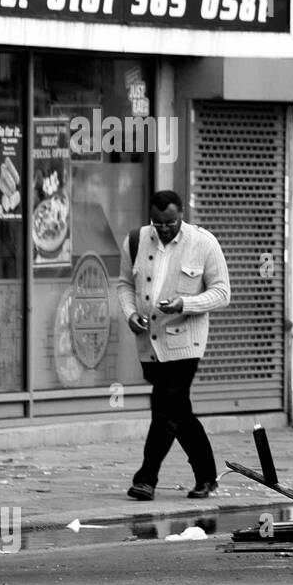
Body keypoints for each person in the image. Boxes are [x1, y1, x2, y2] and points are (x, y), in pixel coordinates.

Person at [117, 190, 230, 500]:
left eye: (171, 222)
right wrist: (130, 314)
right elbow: (125, 285)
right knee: (176, 411)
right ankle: (206, 477)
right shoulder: (136, 240)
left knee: (166, 409)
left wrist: (185, 303)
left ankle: (146, 478)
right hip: (149, 343)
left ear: (182, 214)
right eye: (158, 223)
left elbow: (222, 293)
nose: (164, 229)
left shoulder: (203, 243)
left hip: (186, 342)